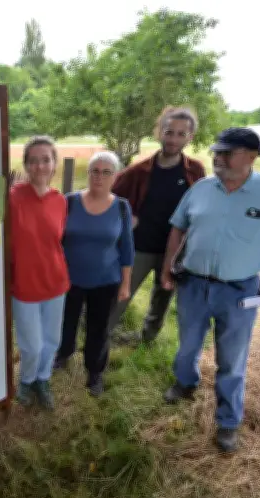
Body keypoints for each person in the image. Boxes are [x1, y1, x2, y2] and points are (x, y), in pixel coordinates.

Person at [160, 127, 260, 453]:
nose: (218, 158)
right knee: (187, 346)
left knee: (232, 360)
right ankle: (185, 384)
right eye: (217, 152)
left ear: (252, 157)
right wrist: (168, 266)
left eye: (227, 153)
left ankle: (227, 421)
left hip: (239, 292)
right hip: (193, 285)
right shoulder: (201, 189)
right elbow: (178, 228)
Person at [108, 107, 206, 345]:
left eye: (181, 134)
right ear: (159, 132)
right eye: (169, 132)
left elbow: (203, 207)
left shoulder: (195, 171)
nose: (173, 139)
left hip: (174, 249)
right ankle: (102, 334)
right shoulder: (137, 172)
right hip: (139, 247)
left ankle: (146, 337)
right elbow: (109, 201)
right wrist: (126, 219)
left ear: (190, 137)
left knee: (162, 296)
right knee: (120, 294)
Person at [53, 151, 134, 396]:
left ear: (115, 176)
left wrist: (125, 284)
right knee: (66, 321)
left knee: (98, 328)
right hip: (68, 279)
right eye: (94, 171)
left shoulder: (121, 207)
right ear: (88, 174)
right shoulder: (69, 202)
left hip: (106, 280)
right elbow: (55, 238)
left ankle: (95, 371)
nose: (99, 177)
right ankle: (63, 354)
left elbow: (127, 247)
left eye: (106, 172)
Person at [8, 135, 70, 410]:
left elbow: (56, 240)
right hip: (24, 284)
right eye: (33, 161)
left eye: (46, 160)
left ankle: (42, 379)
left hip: (56, 281)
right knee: (30, 345)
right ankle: (26, 379)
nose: (40, 166)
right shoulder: (12, 197)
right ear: (26, 165)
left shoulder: (60, 200)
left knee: (51, 339)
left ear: (54, 164)